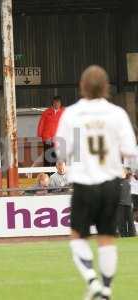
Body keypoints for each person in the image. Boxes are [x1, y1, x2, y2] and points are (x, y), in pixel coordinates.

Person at [56, 65, 138, 300]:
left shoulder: (71, 113)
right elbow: (130, 151)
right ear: (106, 88)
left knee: (78, 237)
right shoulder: (117, 114)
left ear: (82, 86)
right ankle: (107, 289)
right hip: (111, 184)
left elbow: (60, 151)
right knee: (107, 238)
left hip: (84, 183)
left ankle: (92, 280)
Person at [37, 96, 65, 166]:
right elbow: (41, 124)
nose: (56, 104)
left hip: (58, 139)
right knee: (47, 157)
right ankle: (46, 173)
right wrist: (40, 134)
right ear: (52, 103)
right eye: (55, 102)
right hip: (47, 138)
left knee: (56, 157)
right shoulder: (46, 112)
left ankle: (54, 174)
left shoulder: (64, 113)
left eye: (58, 103)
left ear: (61, 104)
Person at [117, 169, 136, 237]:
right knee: (121, 221)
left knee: (130, 220)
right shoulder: (117, 182)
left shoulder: (130, 181)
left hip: (128, 204)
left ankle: (132, 234)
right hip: (120, 204)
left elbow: (133, 174)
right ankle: (123, 235)